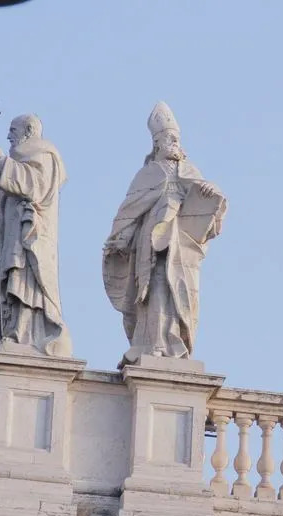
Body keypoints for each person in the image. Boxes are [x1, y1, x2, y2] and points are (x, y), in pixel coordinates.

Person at [103, 101, 227, 366]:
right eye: (170, 138)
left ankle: (175, 341)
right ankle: (154, 344)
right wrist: (120, 238)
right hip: (152, 242)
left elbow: (208, 209)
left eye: (177, 139)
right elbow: (130, 210)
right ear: (157, 143)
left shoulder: (189, 171)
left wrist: (211, 192)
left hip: (180, 244)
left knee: (178, 291)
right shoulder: (148, 174)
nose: (176, 143)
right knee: (156, 286)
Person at [0, 114, 71, 356]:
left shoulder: (43, 154)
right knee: (17, 279)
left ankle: (30, 336)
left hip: (32, 235)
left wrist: (2, 161)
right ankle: (18, 331)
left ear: (29, 130)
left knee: (29, 280)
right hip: (16, 233)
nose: (8, 136)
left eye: (13, 130)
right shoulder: (26, 156)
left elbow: (34, 185)